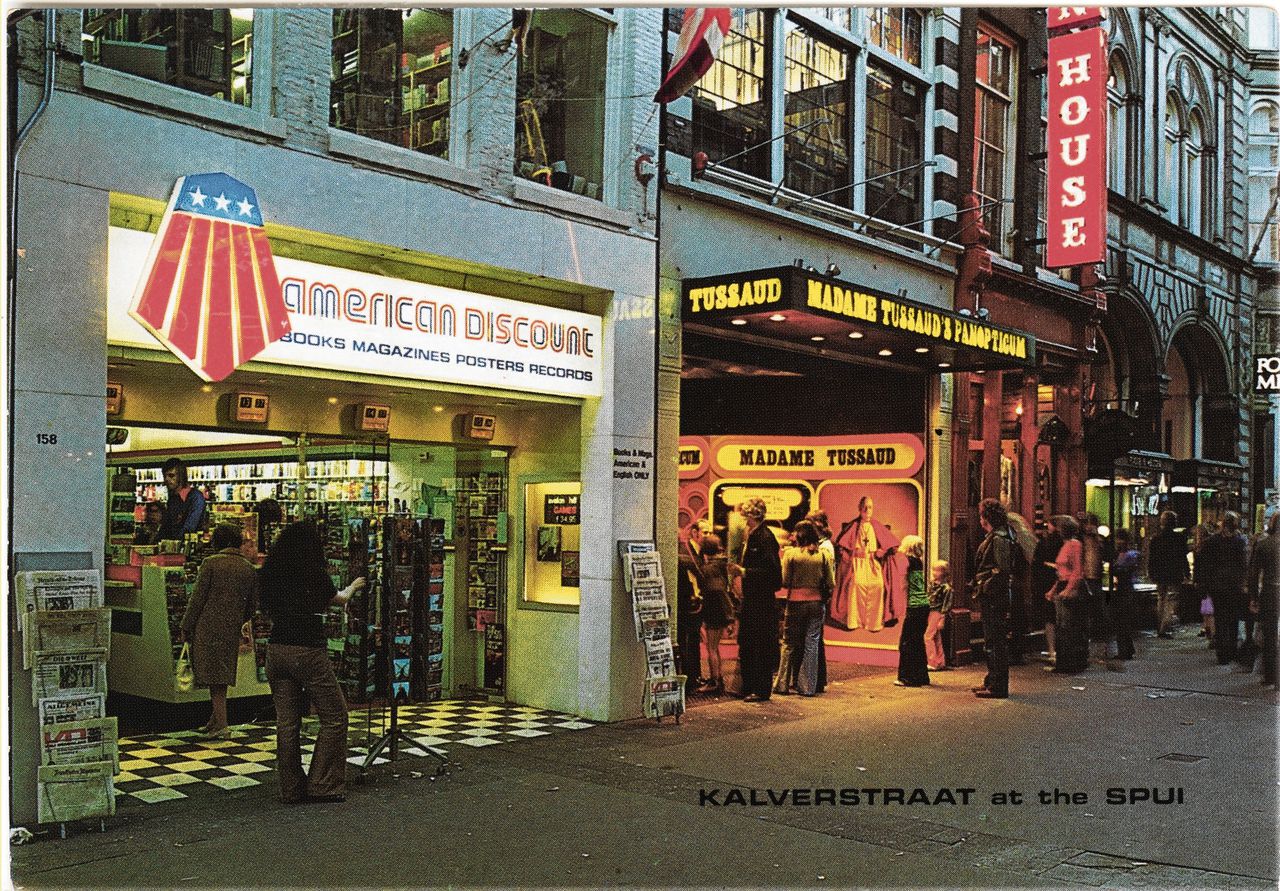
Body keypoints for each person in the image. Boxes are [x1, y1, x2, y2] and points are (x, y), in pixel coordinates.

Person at [258, 521, 366, 804]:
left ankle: (291, 788)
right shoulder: (312, 571)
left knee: (287, 722)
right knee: (335, 715)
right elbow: (339, 599)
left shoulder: (271, 572)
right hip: (307, 650)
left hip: (276, 649)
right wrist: (354, 586)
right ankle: (323, 782)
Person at [180, 523, 258, 738]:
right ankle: (214, 720)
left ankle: (222, 725)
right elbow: (252, 606)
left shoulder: (211, 564)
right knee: (221, 673)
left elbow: (197, 599)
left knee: (213, 677)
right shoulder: (248, 568)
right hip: (231, 627)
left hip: (207, 626)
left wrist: (186, 625)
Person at [728, 498, 783, 702]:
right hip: (753, 599)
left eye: (746, 516)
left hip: (762, 601)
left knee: (760, 644)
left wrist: (744, 572)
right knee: (749, 642)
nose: (744, 519)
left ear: (754, 516)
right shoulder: (753, 536)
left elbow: (773, 575)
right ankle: (750, 685)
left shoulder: (764, 538)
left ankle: (760, 689)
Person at [779, 520, 834, 696]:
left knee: (789, 643)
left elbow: (785, 581)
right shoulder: (823, 554)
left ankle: (782, 684)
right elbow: (830, 582)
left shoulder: (791, 554)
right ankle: (808, 686)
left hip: (795, 602)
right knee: (812, 642)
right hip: (816, 603)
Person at [831, 496, 900, 632]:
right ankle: (855, 621)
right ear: (859, 508)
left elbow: (891, 545)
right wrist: (850, 555)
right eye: (864, 507)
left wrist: (882, 551)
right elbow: (842, 546)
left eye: (870, 507)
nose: (867, 510)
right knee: (856, 584)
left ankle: (873, 623)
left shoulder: (877, 526)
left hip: (872, 563)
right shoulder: (853, 526)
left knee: (879, 585)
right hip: (857, 564)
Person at [971, 498, 1015, 699]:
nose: (980, 520)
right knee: (992, 640)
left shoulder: (999, 538)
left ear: (986, 517)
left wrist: (984, 586)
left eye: (981, 515)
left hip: (994, 597)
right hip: (994, 594)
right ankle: (992, 681)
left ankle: (997, 686)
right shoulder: (999, 535)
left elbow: (1001, 570)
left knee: (994, 641)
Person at [1201, 512, 1250, 666]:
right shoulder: (1241, 542)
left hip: (1218, 586)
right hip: (1234, 586)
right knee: (1233, 619)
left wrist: (1204, 584)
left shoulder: (1212, 541)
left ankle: (1223, 653)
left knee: (1221, 619)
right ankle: (1232, 650)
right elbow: (1245, 565)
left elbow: (1205, 565)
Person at [1047, 515, 1089, 673]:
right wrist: (1053, 590)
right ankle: (1063, 662)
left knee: (1069, 627)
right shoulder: (1066, 545)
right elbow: (1062, 571)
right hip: (1063, 584)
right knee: (1062, 627)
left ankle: (1071, 663)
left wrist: (1069, 589)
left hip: (1070, 587)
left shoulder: (1074, 545)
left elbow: (1077, 570)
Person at [695, 533, 735, 696]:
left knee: (711, 648)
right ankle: (717, 679)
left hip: (713, 608)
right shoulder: (721, 566)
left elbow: (711, 589)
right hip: (721, 608)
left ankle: (714, 681)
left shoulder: (707, 569)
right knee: (715, 647)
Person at [1080, 513, 1119, 670]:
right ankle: (1087, 638)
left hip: (1095, 579)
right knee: (1086, 610)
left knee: (1099, 610)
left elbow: (1110, 556)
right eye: (1087, 524)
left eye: (1092, 524)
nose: (1089, 527)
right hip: (1084, 578)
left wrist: (1103, 541)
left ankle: (1099, 636)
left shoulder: (1100, 540)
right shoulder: (1080, 539)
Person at [894, 535, 930, 687]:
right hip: (924, 605)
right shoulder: (918, 562)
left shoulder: (906, 561)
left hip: (914, 606)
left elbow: (903, 585)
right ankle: (921, 676)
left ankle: (908, 678)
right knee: (918, 642)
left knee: (906, 643)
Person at [1248, 513, 1279, 688]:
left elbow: (1253, 574)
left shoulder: (1263, 544)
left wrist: (1253, 597)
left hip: (1270, 592)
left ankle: (1271, 675)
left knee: (1270, 635)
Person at [676, 520, 708, 693]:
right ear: (695, 533)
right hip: (689, 602)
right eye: (705, 532)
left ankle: (694, 675)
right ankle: (690, 677)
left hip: (695, 600)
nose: (708, 536)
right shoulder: (686, 552)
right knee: (690, 640)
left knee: (694, 639)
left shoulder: (699, 552)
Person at [806, 510, 835, 693]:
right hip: (820, 594)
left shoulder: (824, 547)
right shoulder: (824, 545)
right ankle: (817, 679)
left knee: (814, 638)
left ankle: (815, 680)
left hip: (818, 594)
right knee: (816, 638)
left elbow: (824, 573)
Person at [1148, 511, 1190, 638]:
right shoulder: (1179, 538)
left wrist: (1151, 572)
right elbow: (1183, 557)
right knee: (1171, 600)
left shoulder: (1155, 538)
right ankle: (1164, 627)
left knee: (1161, 599)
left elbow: (1152, 558)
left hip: (1160, 573)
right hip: (1174, 573)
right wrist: (1186, 572)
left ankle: (1160, 625)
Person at [1032, 519, 1065, 664]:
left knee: (1050, 618)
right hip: (1061, 583)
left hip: (1048, 582)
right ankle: (1060, 651)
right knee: (1059, 618)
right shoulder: (1068, 543)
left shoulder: (1045, 543)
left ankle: (1053, 651)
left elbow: (1036, 563)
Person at [156, 457, 207, 541]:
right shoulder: (173, 499)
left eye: (171, 475)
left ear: (181, 477)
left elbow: (189, 528)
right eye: (165, 476)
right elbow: (166, 527)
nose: (166, 479)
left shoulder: (196, 497)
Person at [1110, 529, 1139, 661]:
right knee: (1121, 622)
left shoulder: (1129, 555)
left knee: (1122, 621)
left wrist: (1116, 570)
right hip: (1122, 588)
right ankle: (1126, 648)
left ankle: (1125, 650)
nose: (1118, 542)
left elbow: (1123, 571)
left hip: (1125, 589)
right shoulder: (1121, 555)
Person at [924, 560, 953, 672]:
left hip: (937, 612)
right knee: (936, 637)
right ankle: (940, 661)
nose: (934, 573)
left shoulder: (946, 588)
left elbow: (946, 605)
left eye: (937, 571)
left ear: (944, 572)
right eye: (933, 570)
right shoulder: (932, 584)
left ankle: (932, 662)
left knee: (928, 636)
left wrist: (942, 619)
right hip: (930, 611)